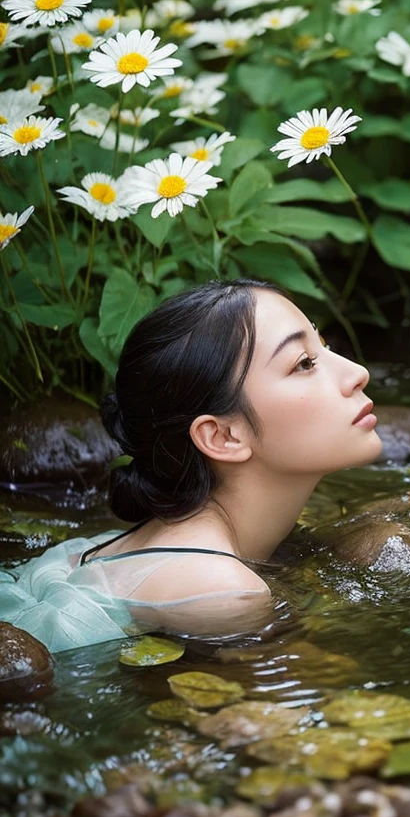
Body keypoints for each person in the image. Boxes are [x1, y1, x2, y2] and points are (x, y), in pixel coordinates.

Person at [0, 279, 381, 652]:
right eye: (304, 363)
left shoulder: (182, 552)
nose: (356, 372)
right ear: (222, 437)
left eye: (324, 346)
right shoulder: (224, 591)